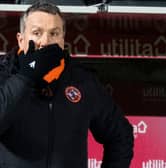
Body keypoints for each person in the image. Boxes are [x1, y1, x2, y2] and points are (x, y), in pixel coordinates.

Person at [0, 1, 134, 168]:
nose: (45, 41)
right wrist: (25, 77)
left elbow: (121, 135)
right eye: (37, 33)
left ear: (63, 39)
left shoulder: (82, 80)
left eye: (54, 33)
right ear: (21, 39)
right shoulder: (4, 75)